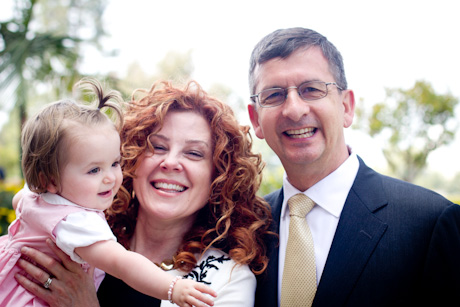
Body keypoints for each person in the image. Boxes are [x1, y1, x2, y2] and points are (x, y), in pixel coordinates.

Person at [247, 27, 460, 307]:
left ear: (346, 106)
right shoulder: (246, 226)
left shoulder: (430, 223)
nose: (294, 110)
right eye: (274, 95)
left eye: (311, 90)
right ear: (256, 119)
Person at [14, 80, 273, 306]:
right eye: (157, 147)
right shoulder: (80, 225)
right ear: (132, 156)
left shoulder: (224, 280)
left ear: (220, 175)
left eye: (194, 153)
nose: (170, 162)